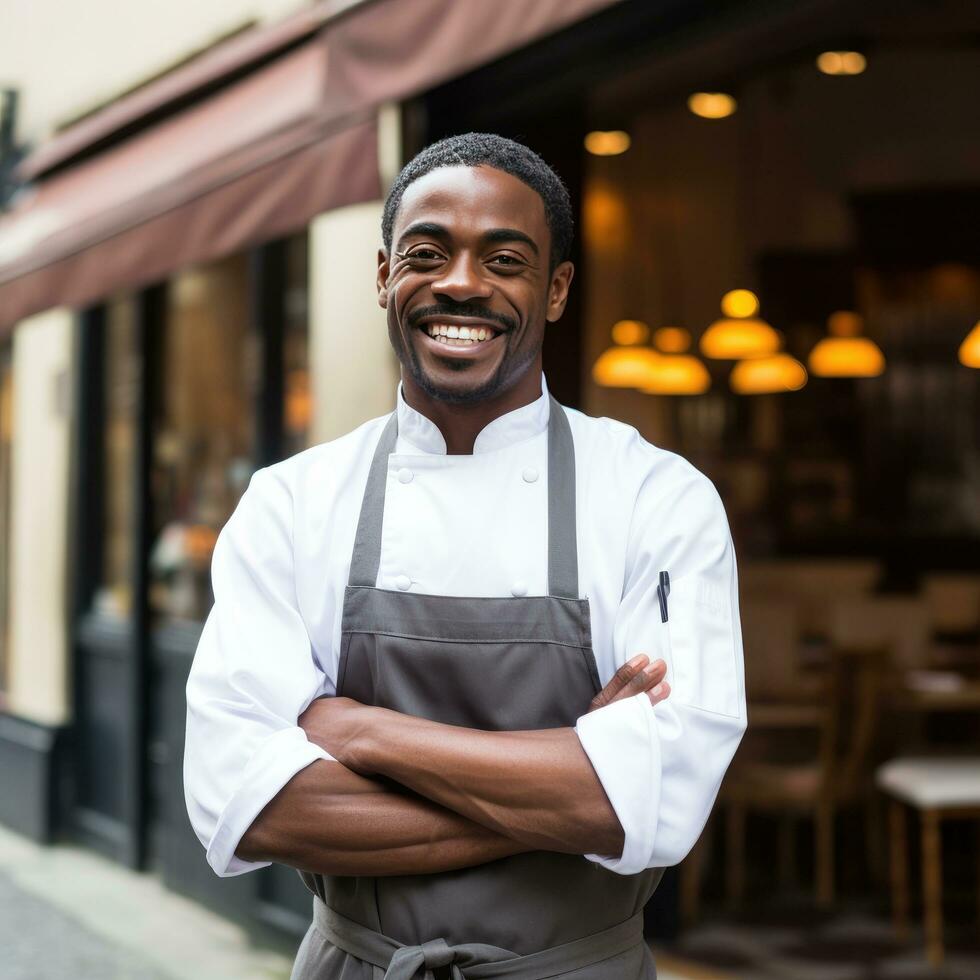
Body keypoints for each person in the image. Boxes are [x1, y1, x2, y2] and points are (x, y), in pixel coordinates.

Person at [184, 132, 746, 979]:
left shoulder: (653, 498)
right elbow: (249, 807)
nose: (460, 283)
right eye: (427, 252)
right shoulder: (293, 502)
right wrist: (572, 788)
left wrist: (361, 730)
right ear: (383, 277)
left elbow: (659, 807)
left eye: (505, 258)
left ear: (556, 290)